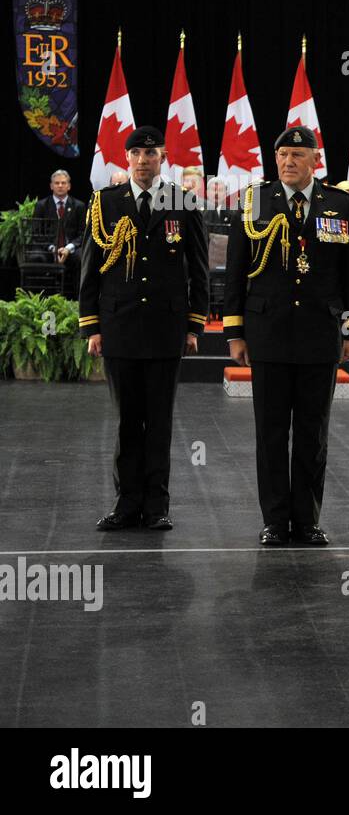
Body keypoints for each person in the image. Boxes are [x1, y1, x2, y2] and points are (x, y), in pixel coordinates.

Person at [224, 126, 349, 546]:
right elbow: (235, 273)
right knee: (270, 432)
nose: (287, 162)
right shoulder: (255, 201)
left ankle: (306, 519)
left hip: (320, 332)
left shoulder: (338, 204)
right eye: (282, 154)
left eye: (296, 156)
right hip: (268, 331)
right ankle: (275, 519)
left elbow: (348, 271)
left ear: (315, 161)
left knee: (312, 432)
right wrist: (235, 333)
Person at [79, 126, 208, 531]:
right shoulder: (105, 203)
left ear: (162, 158)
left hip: (166, 328)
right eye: (135, 153)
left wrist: (194, 326)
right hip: (119, 325)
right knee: (125, 421)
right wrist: (92, 328)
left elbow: (199, 271)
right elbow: (89, 271)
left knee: (159, 421)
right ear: (127, 157)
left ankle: (156, 505)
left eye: (150, 153)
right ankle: (125, 503)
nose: (142, 160)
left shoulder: (182, 202)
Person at [34, 169, 87, 285]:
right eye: (57, 183)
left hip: (72, 249)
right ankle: (42, 297)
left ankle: (76, 299)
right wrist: (53, 248)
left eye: (63, 183)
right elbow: (37, 233)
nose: (60, 186)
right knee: (37, 257)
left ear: (69, 186)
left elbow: (83, 233)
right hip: (49, 248)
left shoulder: (79, 206)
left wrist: (68, 248)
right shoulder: (41, 206)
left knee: (82, 257)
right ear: (51, 186)